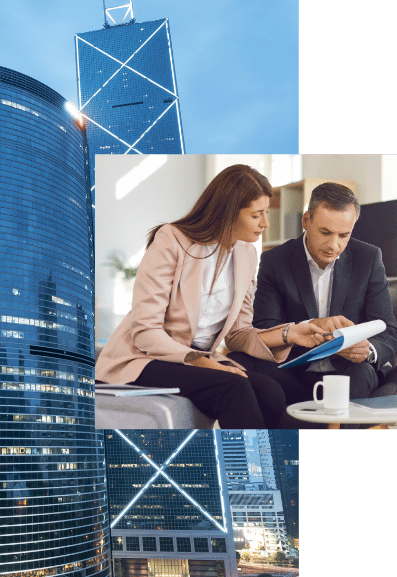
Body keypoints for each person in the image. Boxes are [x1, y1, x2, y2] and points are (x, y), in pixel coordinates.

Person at [96, 164, 328, 429]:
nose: (265, 223)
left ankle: (287, 462)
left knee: (270, 391)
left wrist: (290, 333)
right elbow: (145, 331)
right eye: (256, 215)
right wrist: (205, 363)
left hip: (196, 360)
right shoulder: (171, 240)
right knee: (234, 387)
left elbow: (239, 333)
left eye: (266, 212)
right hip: (144, 357)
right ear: (229, 213)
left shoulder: (246, 254)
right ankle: (249, 468)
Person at [230, 182, 397, 417]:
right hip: (294, 373)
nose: (334, 245)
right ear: (306, 220)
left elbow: (388, 331)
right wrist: (308, 328)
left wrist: (368, 350)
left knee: (362, 373)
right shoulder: (275, 261)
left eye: (344, 235)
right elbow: (264, 328)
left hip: (348, 375)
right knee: (240, 361)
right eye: (325, 232)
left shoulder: (368, 258)